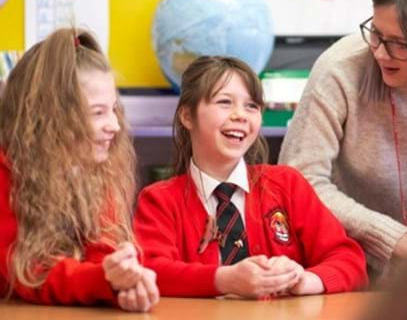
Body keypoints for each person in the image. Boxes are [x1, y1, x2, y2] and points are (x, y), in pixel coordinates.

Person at [278, 0, 407, 279]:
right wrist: (395, 238)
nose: (378, 52)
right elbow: (297, 181)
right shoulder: (341, 68)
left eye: (398, 44)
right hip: (330, 266)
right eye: (375, 33)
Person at [134, 56, 368, 298]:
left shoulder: (288, 184)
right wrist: (225, 280)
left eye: (252, 106)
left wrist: (303, 280)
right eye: (225, 102)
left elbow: (350, 260)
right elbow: (150, 271)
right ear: (187, 116)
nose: (241, 115)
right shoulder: (159, 200)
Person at [0, 28, 159, 311]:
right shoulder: (7, 173)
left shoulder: (95, 169)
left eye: (114, 109)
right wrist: (103, 280)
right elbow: (25, 272)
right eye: (97, 112)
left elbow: (104, 251)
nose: (114, 125)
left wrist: (123, 274)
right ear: (49, 117)